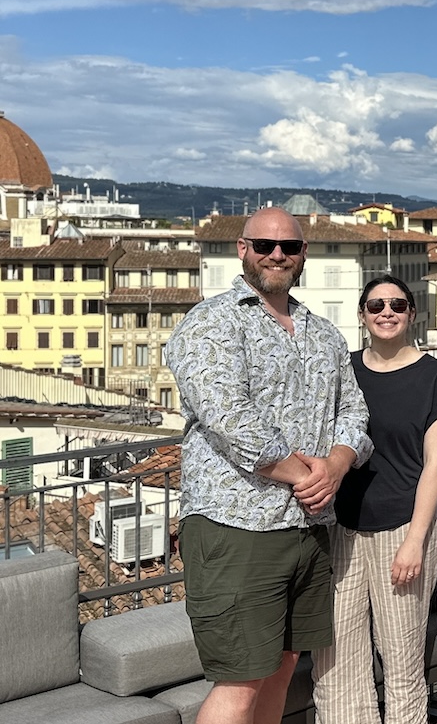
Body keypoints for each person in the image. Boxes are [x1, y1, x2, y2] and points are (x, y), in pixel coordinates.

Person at [165, 207, 373, 724]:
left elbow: (354, 410)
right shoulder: (212, 322)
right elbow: (227, 415)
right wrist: (309, 476)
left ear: (303, 255)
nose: (277, 254)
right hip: (237, 524)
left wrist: (338, 465)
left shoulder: (323, 334)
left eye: (289, 247)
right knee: (240, 678)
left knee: (282, 667)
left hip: (306, 526)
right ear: (243, 250)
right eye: (264, 245)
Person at [314, 274, 437, 724]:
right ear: (362, 317)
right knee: (335, 659)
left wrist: (415, 540)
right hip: (343, 528)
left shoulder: (432, 376)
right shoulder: (346, 372)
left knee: (401, 659)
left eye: (397, 304)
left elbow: (436, 464)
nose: (387, 312)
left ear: (412, 313)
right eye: (376, 306)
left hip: (403, 527)